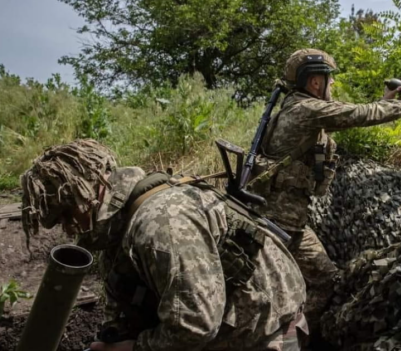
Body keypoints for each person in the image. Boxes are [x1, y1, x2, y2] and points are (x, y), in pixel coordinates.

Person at [20, 139, 308, 351]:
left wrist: (133, 349)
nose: (68, 228)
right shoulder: (121, 224)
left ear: (88, 193)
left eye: (67, 215)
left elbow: (196, 324)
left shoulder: (160, 224)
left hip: (264, 337)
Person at [247, 48, 401, 333]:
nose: (333, 84)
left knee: (326, 279)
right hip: (279, 224)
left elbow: (352, 116)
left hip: (289, 220)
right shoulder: (306, 109)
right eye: (330, 79)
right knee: (278, 288)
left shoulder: (297, 107)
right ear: (315, 82)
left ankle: (295, 335)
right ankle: (279, 335)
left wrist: (385, 101)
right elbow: (358, 114)